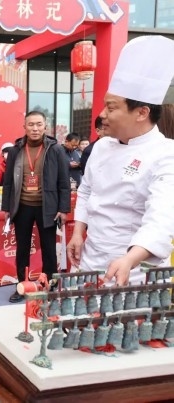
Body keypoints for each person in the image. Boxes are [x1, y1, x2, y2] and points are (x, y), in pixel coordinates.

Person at [67, 35, 174, 286]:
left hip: (135, 271)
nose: (102, 114)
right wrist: (78, 231)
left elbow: (161, 219)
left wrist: (129, 259)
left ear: (142, 113)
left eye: (111, 108)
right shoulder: (102, 146)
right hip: (90, 259)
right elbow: (86, 190)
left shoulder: (166, 154)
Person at [1, 110, 70, 303]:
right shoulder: (15, 150)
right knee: (22, 249)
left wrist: (63, 208)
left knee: (48, 248)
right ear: (24, 127)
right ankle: (22, 285)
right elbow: (8, 182)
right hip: (22, 206)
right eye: (31, 124)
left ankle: (50, 286)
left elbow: (64, 182)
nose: (35, 128)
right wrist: (7, 208)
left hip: (47, 207)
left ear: (45, 127)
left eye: (39, 124)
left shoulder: (55, 150)